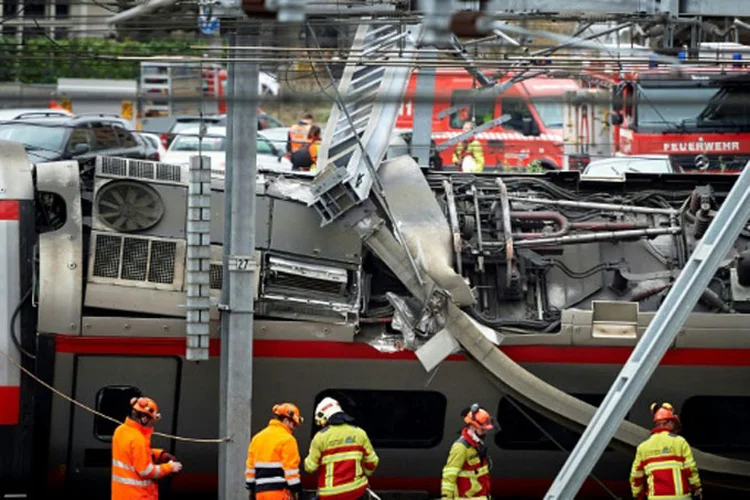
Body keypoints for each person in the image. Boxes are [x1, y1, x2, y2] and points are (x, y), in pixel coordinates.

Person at [304, 397, 379, 500]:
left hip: (329, 495)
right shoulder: (359, 433)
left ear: (325, 416)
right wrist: (364, 473)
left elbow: (310, 467)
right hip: (356, 492)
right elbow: (373, 462)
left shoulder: (320, 437)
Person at [111, 397, 183, 500]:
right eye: (152, 420)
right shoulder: (138, 439)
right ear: (144, 419)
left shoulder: (120, 431)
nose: (152, 424)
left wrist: (160, 454)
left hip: (121, 495)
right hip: (138, 496)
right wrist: (170, 467)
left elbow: (131, 454)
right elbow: (146, 471)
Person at [630, 402, 702, 500]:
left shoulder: (643, 447)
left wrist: (637, 495)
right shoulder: (680, 442)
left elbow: (636, 477)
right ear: (669, 422)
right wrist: (697, 489)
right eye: (674, 423)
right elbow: (691, 470)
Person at [246, 403, 304, 500]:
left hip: (260, 493)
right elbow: (291, 470)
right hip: (279, 493)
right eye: (293, 424)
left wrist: (251, 488)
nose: (294, 427)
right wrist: (297, 490)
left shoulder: (257, 438)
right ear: (286, 420)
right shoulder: (288, 439)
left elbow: (250, 468)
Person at [441, 404, 492, 500]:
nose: (484, 432)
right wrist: (446, 498)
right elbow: (449, 475)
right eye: (482, 429)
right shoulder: (461, 447)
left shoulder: (476, 445)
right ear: (473, 427)